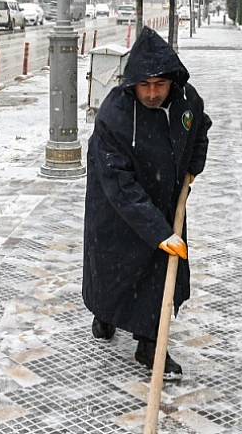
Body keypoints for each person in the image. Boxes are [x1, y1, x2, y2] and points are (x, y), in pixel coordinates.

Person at [83, 25, 212, 380]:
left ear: (172, 81)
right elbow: (119, 183)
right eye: (145, 85)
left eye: (160, 84)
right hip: (117, 208)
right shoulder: (115, 114)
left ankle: (151, 345)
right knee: (113, 269)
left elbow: (200, 130)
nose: (153, 93)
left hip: (165, 202)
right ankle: (105, 313)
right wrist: (158, 231)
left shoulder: (186, 101)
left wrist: (192, 168)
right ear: (132, 83)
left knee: (158, 274)